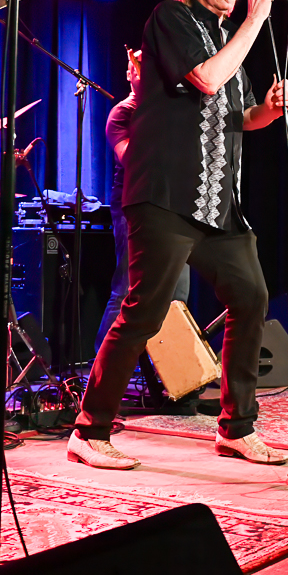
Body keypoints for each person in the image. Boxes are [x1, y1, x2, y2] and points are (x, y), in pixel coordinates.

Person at [67, 0, 288, 470]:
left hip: (218, 203)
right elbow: (207, 80)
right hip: (167, 195)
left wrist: (269, 110)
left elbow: (241, 118)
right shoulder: (170, 18)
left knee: (251, 297)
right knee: (145, 311)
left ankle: (237, 428)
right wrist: (255, 21)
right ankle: (89, 429)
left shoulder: (227, 39)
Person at [96, 47, 190, 350]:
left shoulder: (168, 108)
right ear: (130, 73)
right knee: (129, 287)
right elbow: (132, 159)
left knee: (177, 292)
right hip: (133, 205)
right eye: (140, 67)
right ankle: (103, 364)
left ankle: (170, 369)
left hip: (171, 206)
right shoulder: (122, 113)